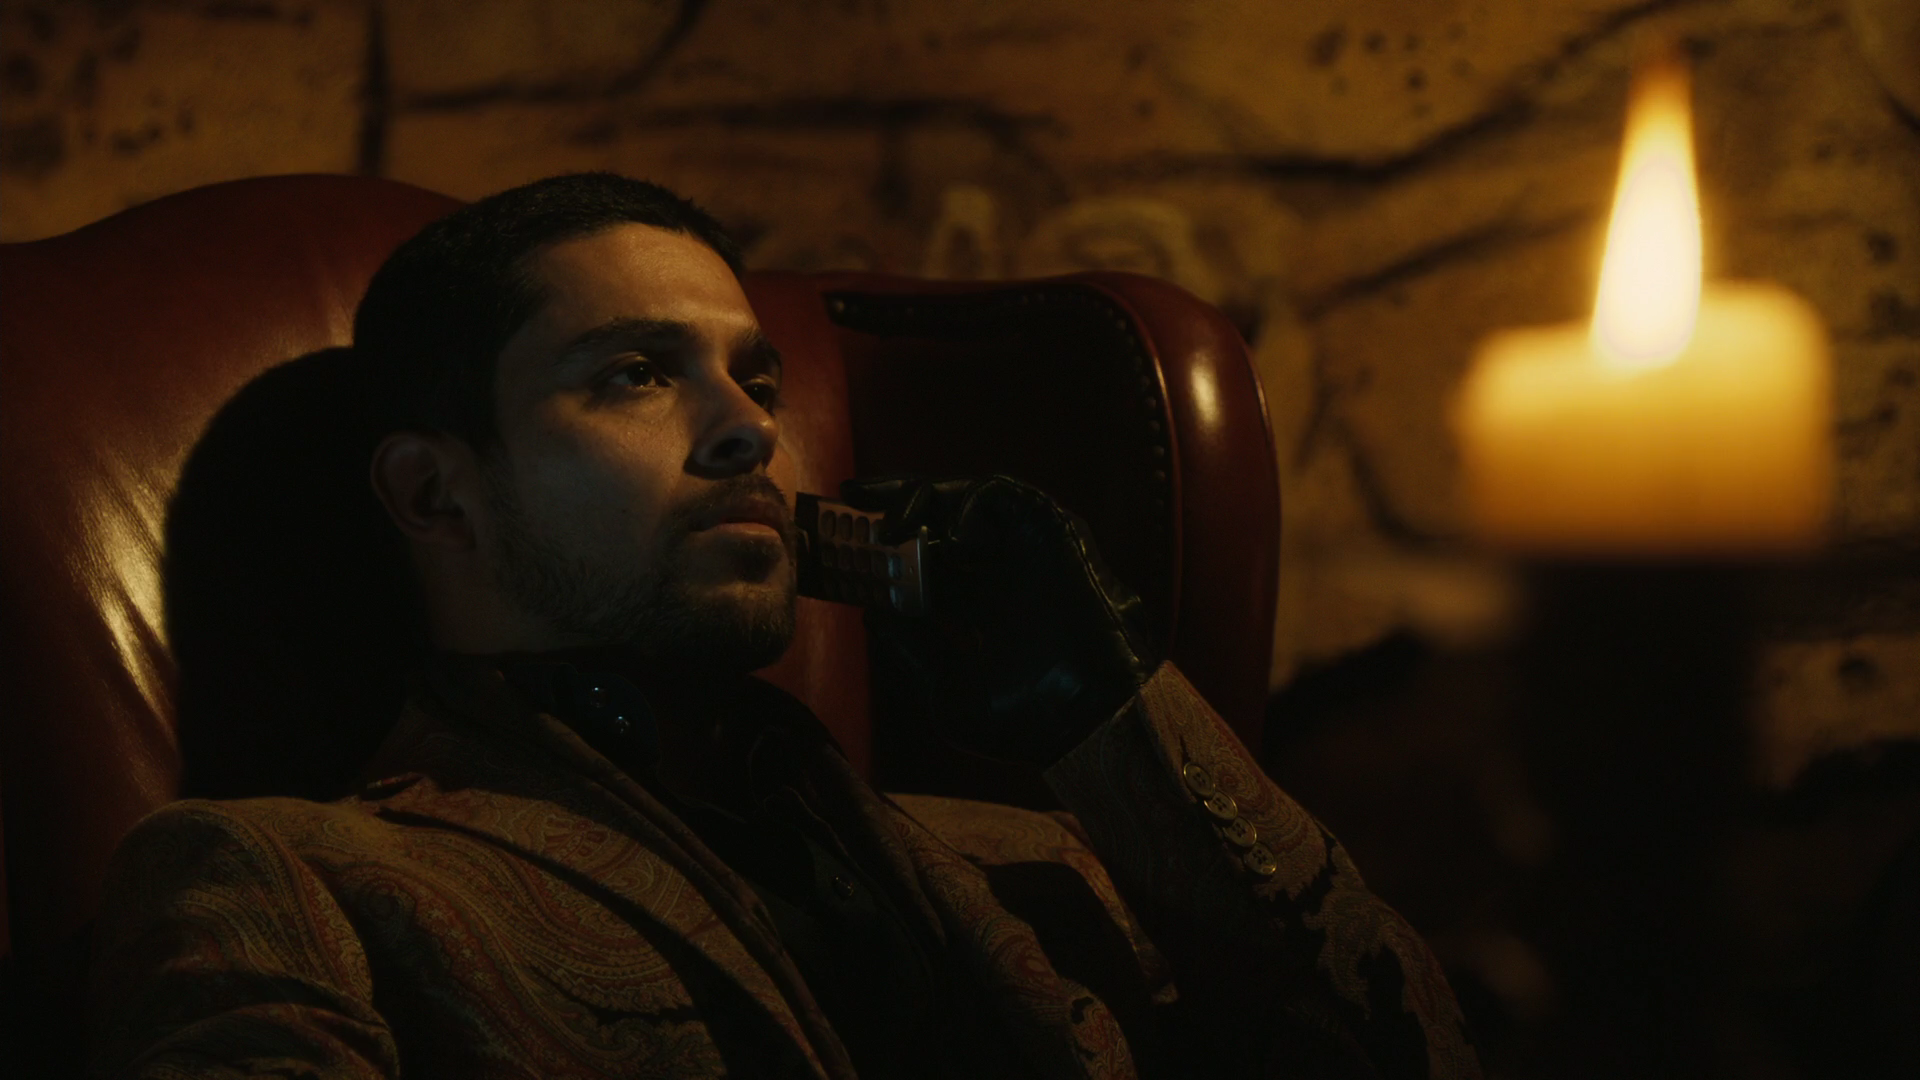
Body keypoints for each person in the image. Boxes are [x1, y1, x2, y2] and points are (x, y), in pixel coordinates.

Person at [86, 173, 1480, 1079]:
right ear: (435, 492)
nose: (748, 430)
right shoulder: (295, 878)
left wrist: (1109, 718)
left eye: (757, 378)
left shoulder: (1036, 851)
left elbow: (1408, 1052)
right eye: (637, 375)